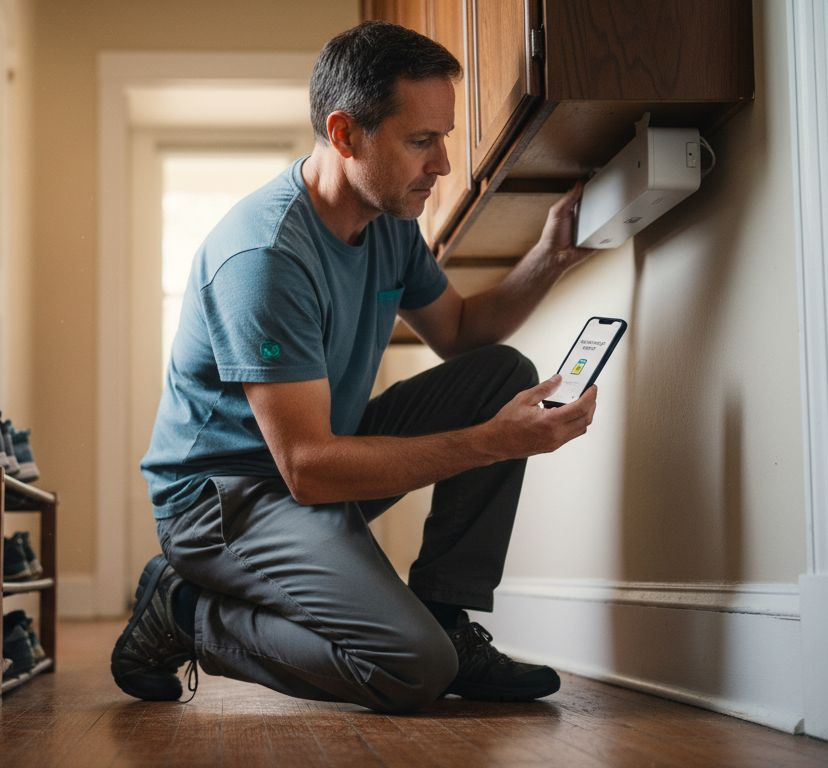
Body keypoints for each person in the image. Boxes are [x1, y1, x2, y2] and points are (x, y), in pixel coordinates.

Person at [111, 20, 598, 713]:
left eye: (445, 138)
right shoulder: (266, 259)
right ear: (345, 135)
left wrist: (548, 258)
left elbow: (461, 332)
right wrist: (495, 441)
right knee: (410, 669)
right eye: (421, 141)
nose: (444, 165)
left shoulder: (389, 222)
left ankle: (448, 619)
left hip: (309, 464)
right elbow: (307, 468)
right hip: (225, 500)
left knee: (499, 373)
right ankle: (185, 611)